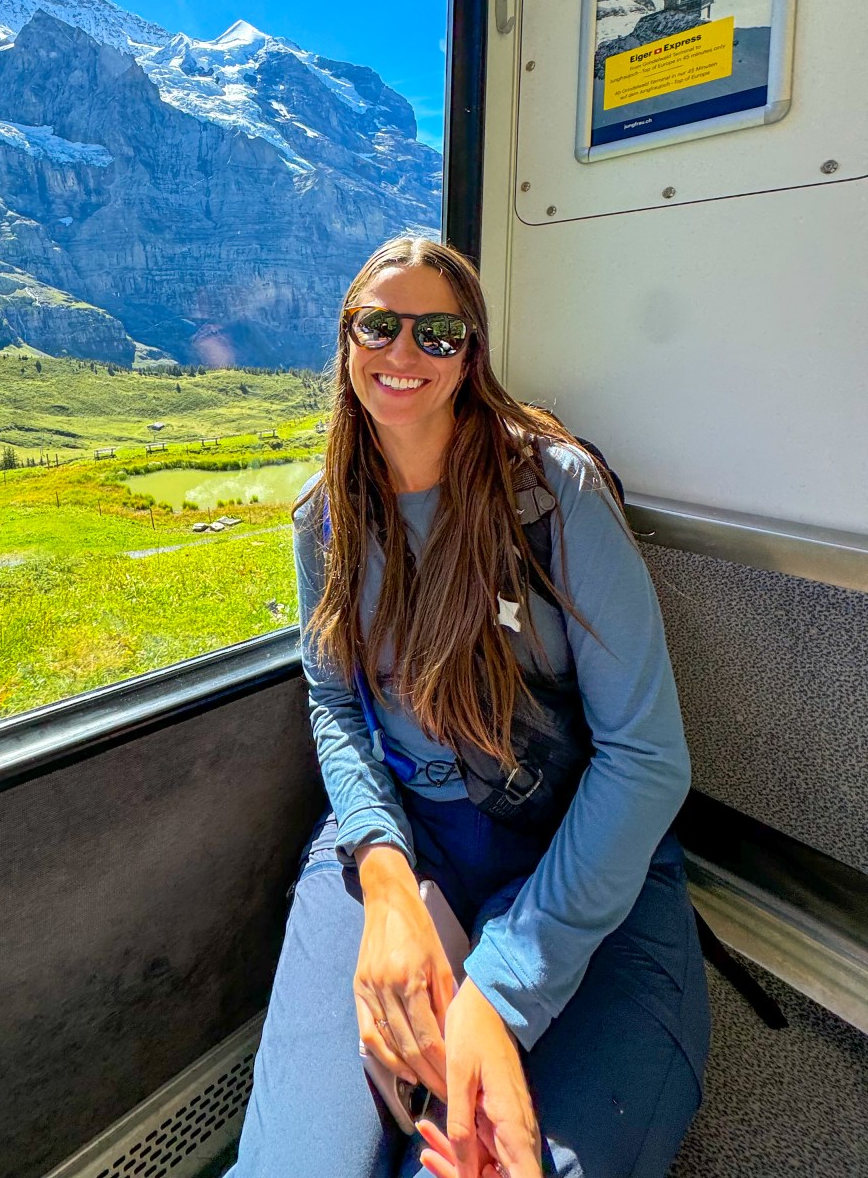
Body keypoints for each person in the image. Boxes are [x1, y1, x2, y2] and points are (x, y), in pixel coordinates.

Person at [230, 236, 709, 1178]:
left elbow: (646, 758)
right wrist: (384, 879)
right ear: (348, 341)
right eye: (379, 325)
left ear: (470, 354)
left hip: (574, 843)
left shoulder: (553, 493)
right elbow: (334, 698)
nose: (403, 352)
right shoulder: (326, 518)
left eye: (437, 333)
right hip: (405, 839)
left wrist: (498, 991)